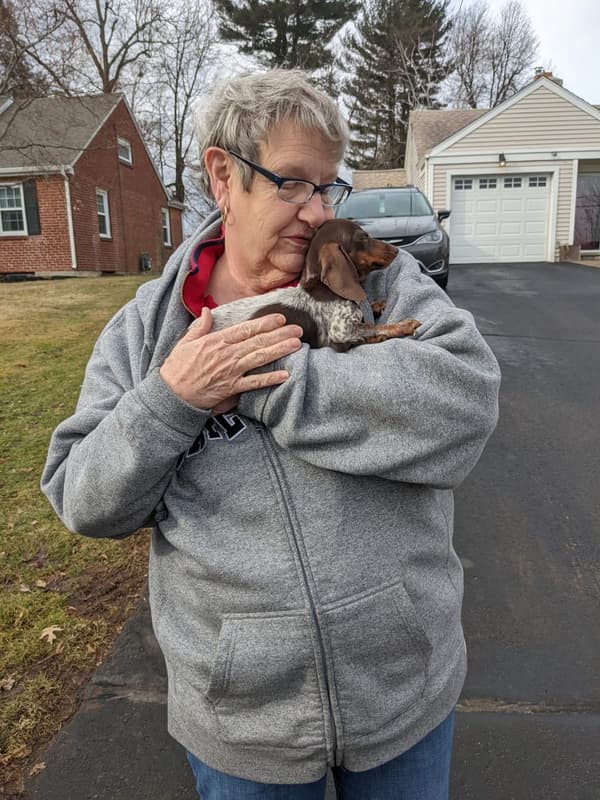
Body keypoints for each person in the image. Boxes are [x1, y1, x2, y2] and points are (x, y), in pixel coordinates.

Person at [41, 70, 500, 800]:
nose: (318, 212)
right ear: (223, 177)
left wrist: (266, 369)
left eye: (328, 187)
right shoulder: (145, 335)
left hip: (401, 689)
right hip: (243, 723)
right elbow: (85, 498)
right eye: (292, 184)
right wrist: (172, 399)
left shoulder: (381, 281)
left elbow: (465, 407)